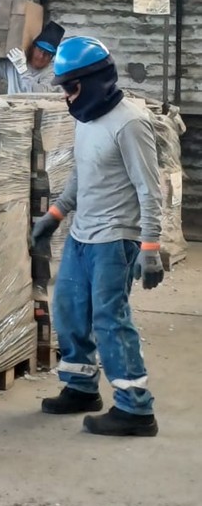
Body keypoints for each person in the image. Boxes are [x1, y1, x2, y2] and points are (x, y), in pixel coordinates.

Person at [30, 36, 162, 437]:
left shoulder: (131, 123)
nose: (67, 96)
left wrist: (151, 247)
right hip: (82, 233)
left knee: (109, 319)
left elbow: (149, 189)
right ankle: (81, 387)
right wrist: (55, 214)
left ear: (96, 81)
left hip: (115, 239)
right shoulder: (86, 119)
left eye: (72, 87)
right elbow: (81, 173)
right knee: (68, 311)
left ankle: (136, 409)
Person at [0, 21, 65, 94]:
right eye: (40, 50)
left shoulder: (53, 73)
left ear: (52, 57)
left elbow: (39, 94)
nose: (41, 56)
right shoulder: (14, 62)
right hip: (13, 113)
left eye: (47, 54)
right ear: (32, 48)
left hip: (37, 113)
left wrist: (23, 70)